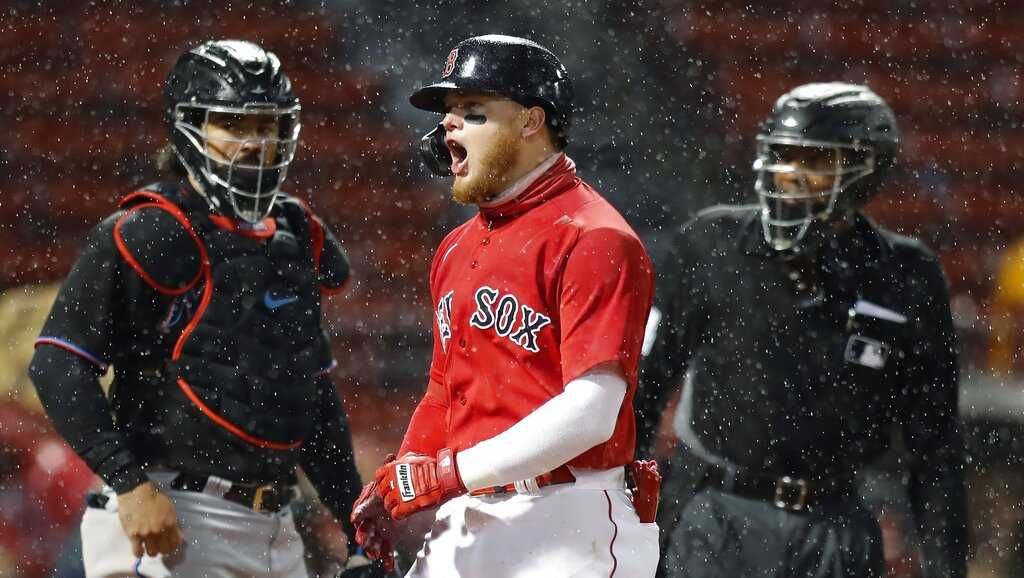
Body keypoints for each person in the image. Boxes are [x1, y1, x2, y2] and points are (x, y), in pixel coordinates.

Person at [29, 39, 366, 578]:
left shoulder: (296, 234)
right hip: (169, 513)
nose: (257, 143)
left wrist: (356, 525)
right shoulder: (149, 230)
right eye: (236, 125)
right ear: (188, 127)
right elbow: (59, 362)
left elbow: (312, 398)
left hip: (278, 525)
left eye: (269, 126)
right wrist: (129, 485)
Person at [350, 34, 661, 577]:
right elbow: (445, 392)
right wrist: (401, 480)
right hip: (471, 508)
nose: (448, 125)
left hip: (570, 515)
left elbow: (592, 411)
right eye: (449, 113)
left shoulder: (595, 237)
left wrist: (447, 474)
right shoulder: (455, 247)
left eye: (473, 112)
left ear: (530, 122)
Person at [636, 82, 966, 578]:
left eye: (812, 158)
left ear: (866, 168)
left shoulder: (906, 273)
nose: (788, 172)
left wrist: (947, 566)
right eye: (780, 154)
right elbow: (646, 384)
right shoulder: (711, 243)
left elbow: (935, 444)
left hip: (835, 521)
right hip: (715, 509)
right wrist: (616, 508)